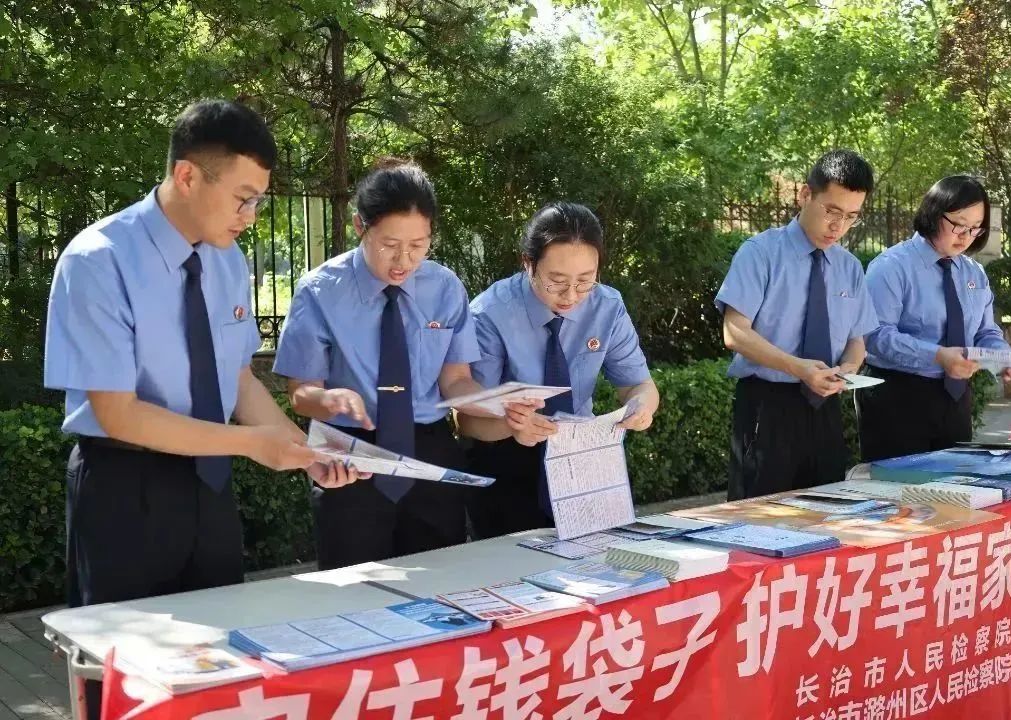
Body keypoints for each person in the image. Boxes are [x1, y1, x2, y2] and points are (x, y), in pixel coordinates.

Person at [44, 99, 356, 719]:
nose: (251, 216)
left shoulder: (227, 262)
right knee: (125, 677)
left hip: (208, 487)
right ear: (187, 175)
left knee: (215, 672)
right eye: (243, 198)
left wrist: (307, 451)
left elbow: (236, 379)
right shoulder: (98, 260)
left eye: (258, 200)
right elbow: (119, 414)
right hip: (125, 488)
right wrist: (250, 446)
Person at [274, 158, 491, 569]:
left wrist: (499, 405)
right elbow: (301, 393)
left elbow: (456, 381)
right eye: (389, 244)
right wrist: (329, 400)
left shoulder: (444, 288)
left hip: (428, 453)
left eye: (418, 245)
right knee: (353, 586)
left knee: (439, 582)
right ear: (360, 226)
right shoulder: (320, 290)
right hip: (351, 454)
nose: (403, 260)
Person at [459, 201, 659, 538]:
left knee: (593, 558)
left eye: (585, 281)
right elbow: (467, 421)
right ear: (528, 264)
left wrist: (641, 408)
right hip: (507, 457)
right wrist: (512, 425)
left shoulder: (607, 306)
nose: (571, 295)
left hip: (581, 456)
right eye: (556, 281)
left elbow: (639, 385)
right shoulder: (490, 313)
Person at [716, 149, 880, 500]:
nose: (838, 226)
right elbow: (734, 332)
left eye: (851, 217)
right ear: (805, 195)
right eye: (831, 211)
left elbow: (857, 339)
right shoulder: (760, 253)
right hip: (768, 407)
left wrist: (847, 371)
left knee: (827, 512)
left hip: (825, 408)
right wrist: (798, 368)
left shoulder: (849, 267)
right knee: (759, 515)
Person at [857, 175, 1011, 461]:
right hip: (897, 398)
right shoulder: (891, 267)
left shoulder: (973, 272)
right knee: (900, 487)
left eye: (975, 228)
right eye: (959, 225)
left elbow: (985, 331)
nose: (966, 236)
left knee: (955, 484)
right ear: (934, 214)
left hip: (955, 398)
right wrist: (937, 356)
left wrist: (1002, 355)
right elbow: (874, 336)